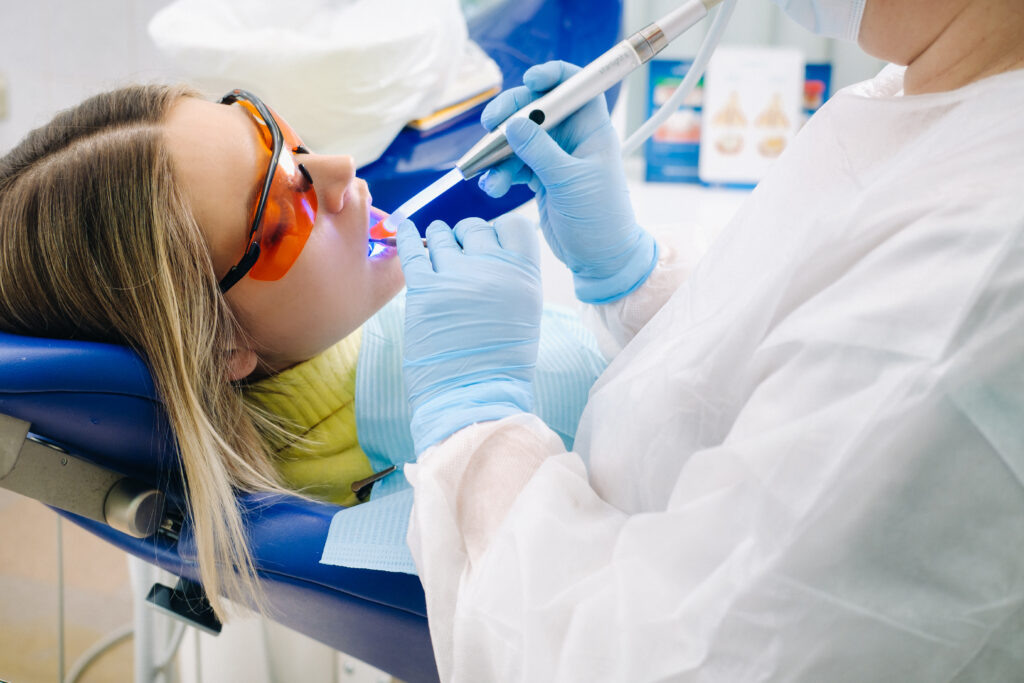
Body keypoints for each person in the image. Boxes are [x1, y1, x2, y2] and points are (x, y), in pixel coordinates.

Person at [394, 0, 1024, 679]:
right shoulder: (930, 93)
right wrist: (630, 278)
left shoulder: (980, 268)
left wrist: (478, 435)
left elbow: (663, 659)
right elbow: (796, 354)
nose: (334, 181)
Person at [0, 85, 605, 620]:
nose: (340, 169)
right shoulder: (380, 498)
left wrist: (629, 279)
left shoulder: (352, 332)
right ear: (222, 344)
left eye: (288, 142)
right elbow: (565, 625)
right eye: (286, 206)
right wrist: (474, 423)